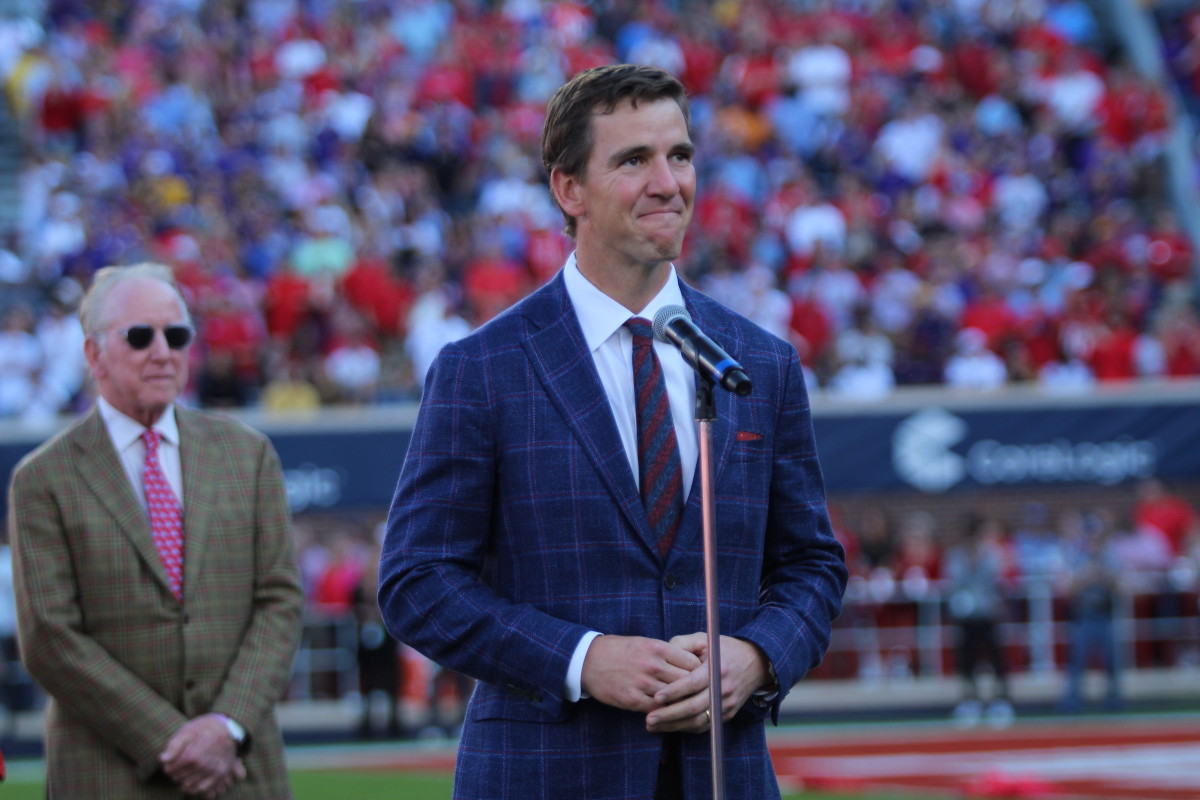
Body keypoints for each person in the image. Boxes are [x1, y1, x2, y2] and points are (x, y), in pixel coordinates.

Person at [377, 64, 847, 800]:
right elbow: (417, 582)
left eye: (680, 156)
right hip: (541, 777)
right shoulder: (483, 367)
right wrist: (581, 658)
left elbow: (812, 565)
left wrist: (756, 656)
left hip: (723, 776)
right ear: (570, 190)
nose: (668, 182)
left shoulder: (761, 362)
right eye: (634, 160)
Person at [8, 263, 304, 799]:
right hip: (106, 772)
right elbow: (50, 638)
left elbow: (279, 601)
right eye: (140, 336)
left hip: (240, 771)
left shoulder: (248, 454)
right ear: (93, 355)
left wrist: (226, 727)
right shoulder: (42, 478)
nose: (163, 351)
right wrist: (173, 740)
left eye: (177, 334)